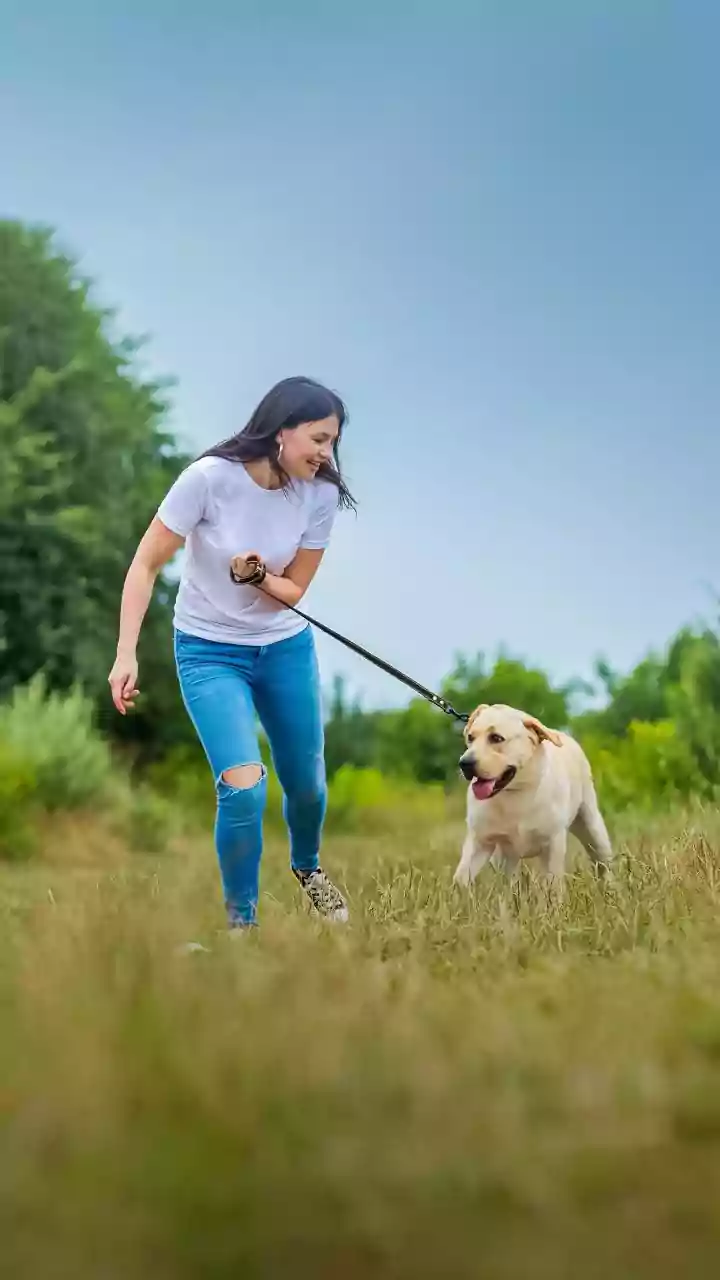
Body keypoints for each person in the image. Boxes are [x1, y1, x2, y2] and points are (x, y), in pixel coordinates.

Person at [108, 375, 355, 930]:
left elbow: (293, 591)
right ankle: (241, 926)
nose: (326, 453)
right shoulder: (207, 480)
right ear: (280, 431)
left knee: (307, 782)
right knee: (243, 787)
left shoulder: (319, 496)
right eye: (318, 439)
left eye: (332, 441)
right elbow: (145, 564)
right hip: (208, 651)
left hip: (284, 647)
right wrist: (126, 654)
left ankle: (308, 868)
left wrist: (260, 574)